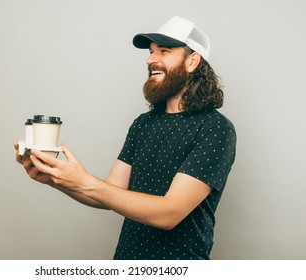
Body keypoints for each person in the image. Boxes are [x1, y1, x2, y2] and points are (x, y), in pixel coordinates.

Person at [14, 16, 236, 260]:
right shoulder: (143, 124)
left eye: (164, 51)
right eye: (151, 52)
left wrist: (85, 180)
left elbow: (169, 213)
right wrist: (56, 179)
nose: (151, 59)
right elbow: (109, 194)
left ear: (192, 61)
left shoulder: (216, 129)